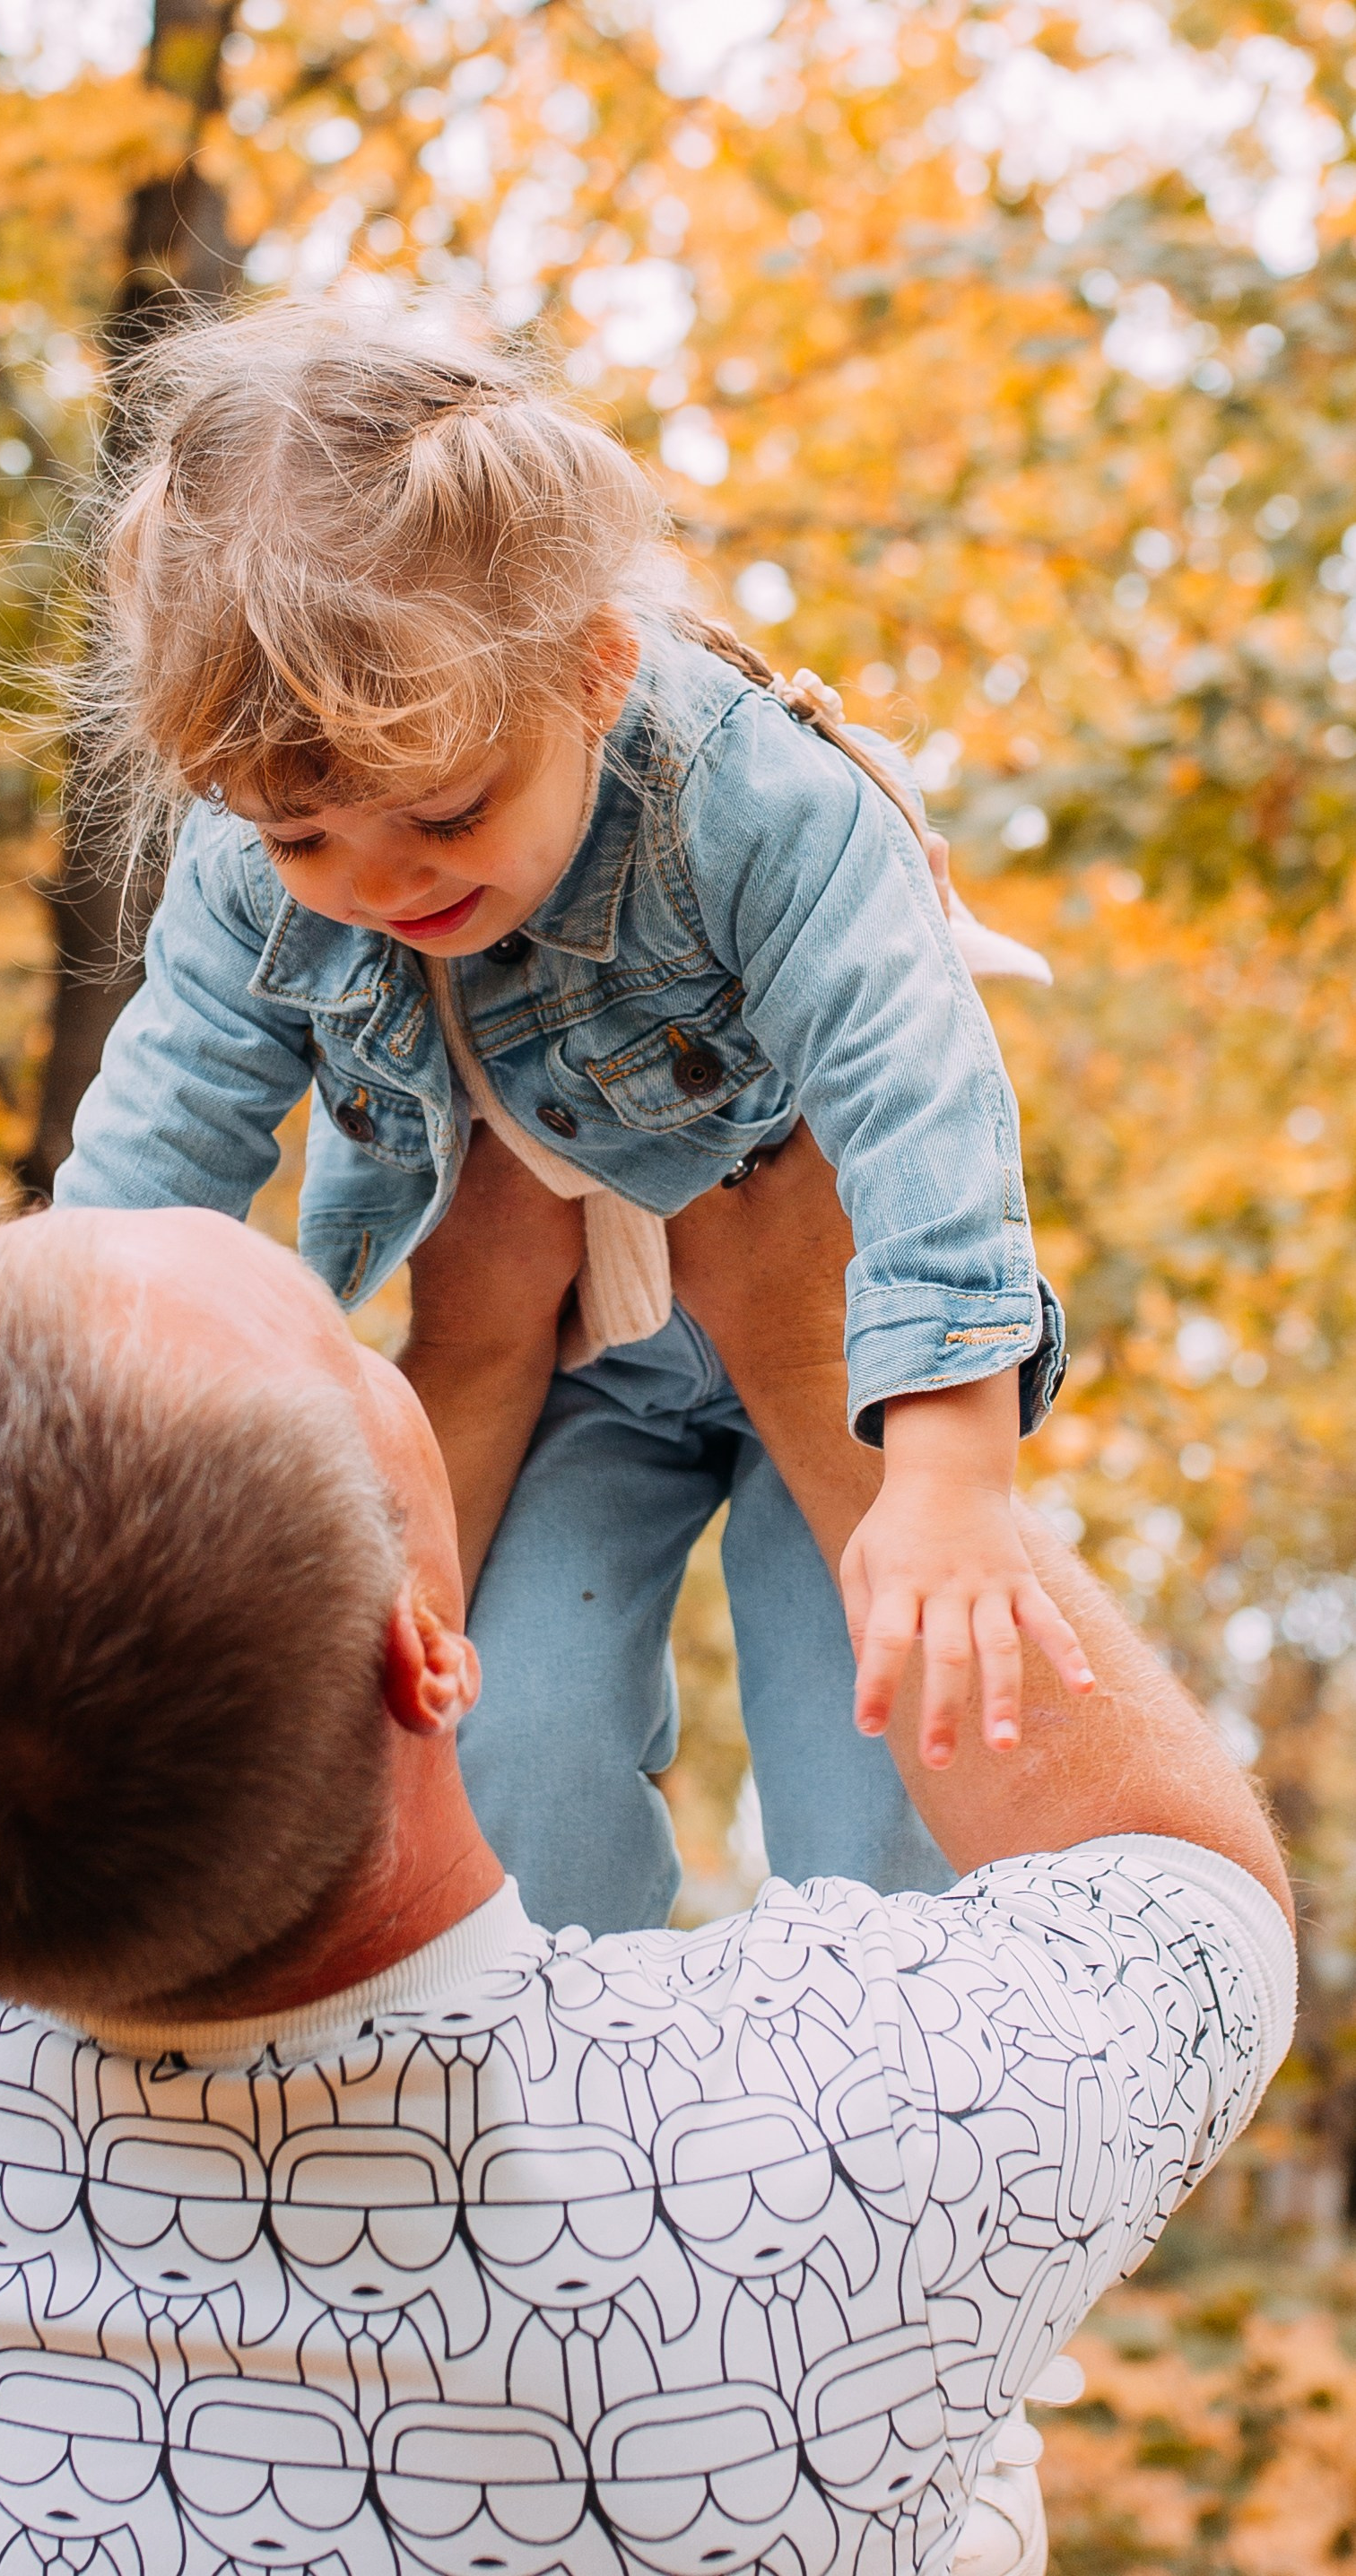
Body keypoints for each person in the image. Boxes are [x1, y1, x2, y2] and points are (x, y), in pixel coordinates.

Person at [0, 1131, 1293, 2576]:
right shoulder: (788, 2175)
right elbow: (1194, 1898)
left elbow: (249, 1668)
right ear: (421, 1658)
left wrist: (475, 1349)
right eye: (343, 1346)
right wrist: (810, 1342)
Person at [52, 297, 1083, 1935]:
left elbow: (919, 1097)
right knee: (507, 1747)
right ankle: (553, 2096)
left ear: (595, 673)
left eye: (446, 812)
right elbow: (153, 1164)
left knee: (885, 1731)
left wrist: (953, 1475)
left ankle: (888, 2070)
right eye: (306, 841)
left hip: (854, 1336)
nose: (378, 886)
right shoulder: (253, 870)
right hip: (577, 1370)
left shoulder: (750, 799)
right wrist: (77, 1428)